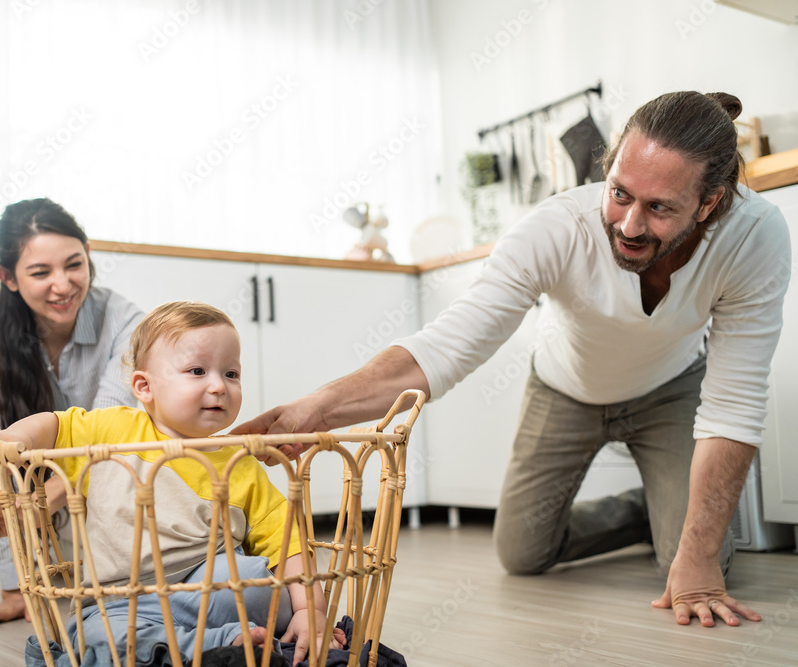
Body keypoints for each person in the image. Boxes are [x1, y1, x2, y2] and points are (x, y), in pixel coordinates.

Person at [233, 91, 791, 629]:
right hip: (564, 387)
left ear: (710, 201)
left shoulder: (755, 235)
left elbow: (733, 403)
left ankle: (678, 517)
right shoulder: (556, 228)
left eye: (660, 208)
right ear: (609, 166)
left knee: (699, 570)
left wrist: (694, 557)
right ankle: (647, 507)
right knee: (522, 552)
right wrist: (320, 408)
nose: (628, 225)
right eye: (619, 192)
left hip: (670, 387)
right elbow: (447, 345)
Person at [0, 301, 345, 666]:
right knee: (93, 634)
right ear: (144, 387)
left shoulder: (241, 463)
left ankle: (203, 646)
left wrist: (309, 610)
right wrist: (13, 437)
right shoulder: (113, 430)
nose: (219, 386)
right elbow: (57, 424)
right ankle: (218, 644)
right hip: (120, 603)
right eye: (198, 370)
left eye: (231, 374)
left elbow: (288, 544)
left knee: (257, 581)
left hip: (206, 594)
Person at [0, 198, 145, 631]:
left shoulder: (126, 322)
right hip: (43, 504)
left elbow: (107, 433)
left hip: (115, 481)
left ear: (88, 256)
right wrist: (12, 588)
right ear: (7, 277)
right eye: (41, 272)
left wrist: (56, 494)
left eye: (73, 264)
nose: (63, 285)